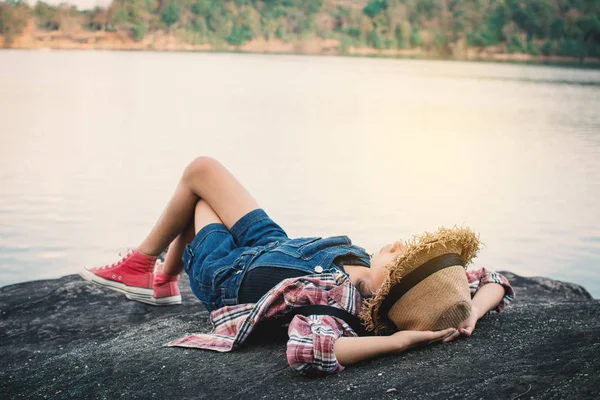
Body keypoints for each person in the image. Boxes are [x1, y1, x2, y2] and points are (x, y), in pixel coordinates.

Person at [81, 156, 514, 375]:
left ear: (390, 294)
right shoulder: (386, 282)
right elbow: (490, 279)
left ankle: (151, 270)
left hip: (229, 273)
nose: (398, 244)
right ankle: (160, 277)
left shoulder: (340, 312)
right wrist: (469, 314)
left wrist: (400, 342)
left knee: (196, 192)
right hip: (274, 244)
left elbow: (308, 352)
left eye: (402, 259)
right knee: (204, 169)